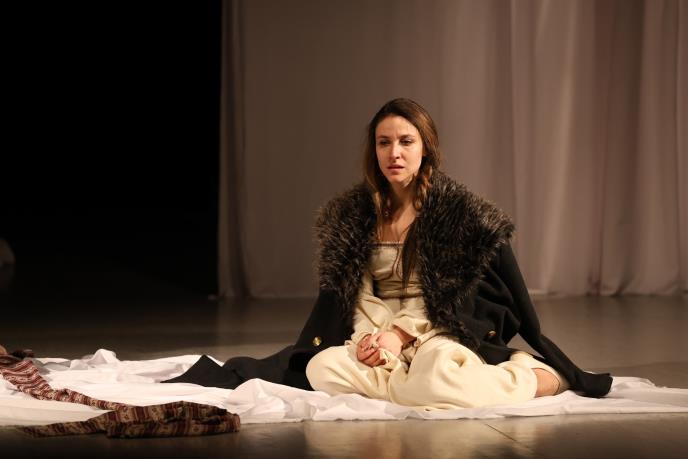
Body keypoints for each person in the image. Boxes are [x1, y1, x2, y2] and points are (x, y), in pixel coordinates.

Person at [163, 98, 612, 407]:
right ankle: (412, 389)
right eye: (384, 142)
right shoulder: (355, 215)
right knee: (322, 368)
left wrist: (402, 335)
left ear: (425, 148)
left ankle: (537, 378)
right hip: (377, 332)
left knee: (436, 373)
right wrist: (369, 340)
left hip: (437, 329)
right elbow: (355, 295)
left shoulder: (459, 214)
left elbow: (461, 299)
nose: (394, 153)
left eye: (405, 141)